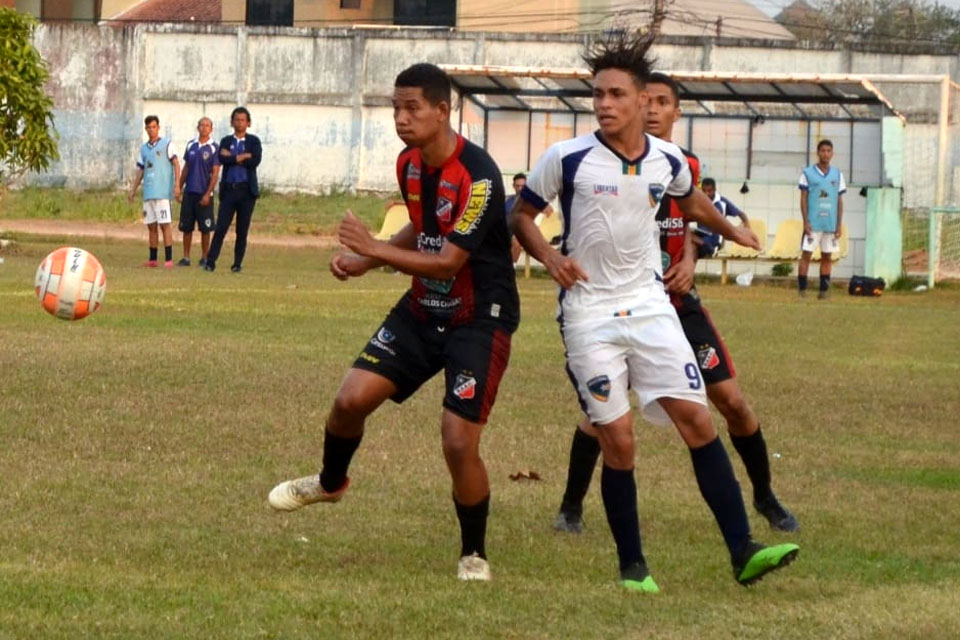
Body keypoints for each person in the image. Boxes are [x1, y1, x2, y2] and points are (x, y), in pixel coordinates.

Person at [510, 34, 798, 591]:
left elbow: (689, 201)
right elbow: (522, 215)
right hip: (589, 314)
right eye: (598, 94)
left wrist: (730, 228)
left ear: (643, 101)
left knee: (699, 420)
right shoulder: (565, 158)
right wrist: (548, 255)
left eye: (617, 94)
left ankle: (744, 552)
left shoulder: (667, 158)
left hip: (651, 307)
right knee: (618, 439)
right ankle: (633, 566)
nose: (604, 104)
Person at [268, 63, 519, 583]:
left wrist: (373, 248)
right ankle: (331, 482)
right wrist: (367, 262)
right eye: (396, 109)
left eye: (413, 108)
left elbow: (451, 259)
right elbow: (424, 228)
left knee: (456, 439)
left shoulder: (479, 176)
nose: (402, 119)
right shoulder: (408, 163)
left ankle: (474, 553)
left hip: (479, 318)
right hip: (424, 308)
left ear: (443, 111)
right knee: (348, 401)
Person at [204, 107, 262, 273]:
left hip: (246, 191)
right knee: (221, 227)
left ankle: (237, 264)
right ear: (232, 122)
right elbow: (222, 158)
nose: (239, 123)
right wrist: (242, 156)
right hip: (229, 190)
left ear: (248, 123)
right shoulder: (226, 140)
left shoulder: (254, 141)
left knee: (242, 230)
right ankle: (210, 262)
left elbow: (255, 160)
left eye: (243, 120)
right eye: (236, 119)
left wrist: (233, 158)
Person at [128, 115, 181, 268]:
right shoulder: (144, 149)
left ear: (158, 127)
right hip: (149, 193)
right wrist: (133, 189)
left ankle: (169, 259)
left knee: (165, 224)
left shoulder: (166, 145)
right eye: (149, 127)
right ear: (146, 129)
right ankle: (153, 259)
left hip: (162, 192)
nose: (151, 130)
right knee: (151, 225)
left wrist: (177, 185)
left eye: (154, 127)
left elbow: (176, 164)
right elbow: (141, 171)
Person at [798, 139, 845, 298]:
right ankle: (802, 290)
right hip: (813, 223)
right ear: (818, 153)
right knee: (806, 256)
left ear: (832, 153)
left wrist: (839, 225)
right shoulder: (807, 173)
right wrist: (805, 222)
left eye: (828, 151)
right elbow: (803, 198)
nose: (825, 154)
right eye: (823, 151)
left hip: (830, 224)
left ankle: (823, 292)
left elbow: (839, 200)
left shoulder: (837, 174)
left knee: (827, 256)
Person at [176, 117, 220, 267]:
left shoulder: (214, 147)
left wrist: (208, 193)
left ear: (211, 128)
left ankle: (205, 257)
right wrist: (178, 187)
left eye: (207, 125)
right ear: (198, 127)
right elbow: (186, 168)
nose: (204, 128)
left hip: (204, 193)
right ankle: (186, 257)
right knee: (186, 227)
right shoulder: (191, 145)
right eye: (202, 125)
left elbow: (215, 173)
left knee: (205, 228)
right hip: (190, 192)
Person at [696, 177, 751, 259]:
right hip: (701, 235)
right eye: (704, 191)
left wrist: (747, 227)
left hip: (715, 238)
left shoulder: (722, 202)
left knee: (695, 244)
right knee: (687, 238)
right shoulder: (698, 202)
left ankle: (712, 249)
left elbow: (741, 214)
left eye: (709, 191)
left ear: (715, 190)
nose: (707, 194)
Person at [505, 172, 554, 262]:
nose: (520, 189)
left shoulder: (533, 201)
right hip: (505, 231)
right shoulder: (507, 199)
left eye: (522, 186)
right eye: (517, 186)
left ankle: (512, 269)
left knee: (515, 241)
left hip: (522, 231)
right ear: (513, 186)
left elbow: (549, 212)